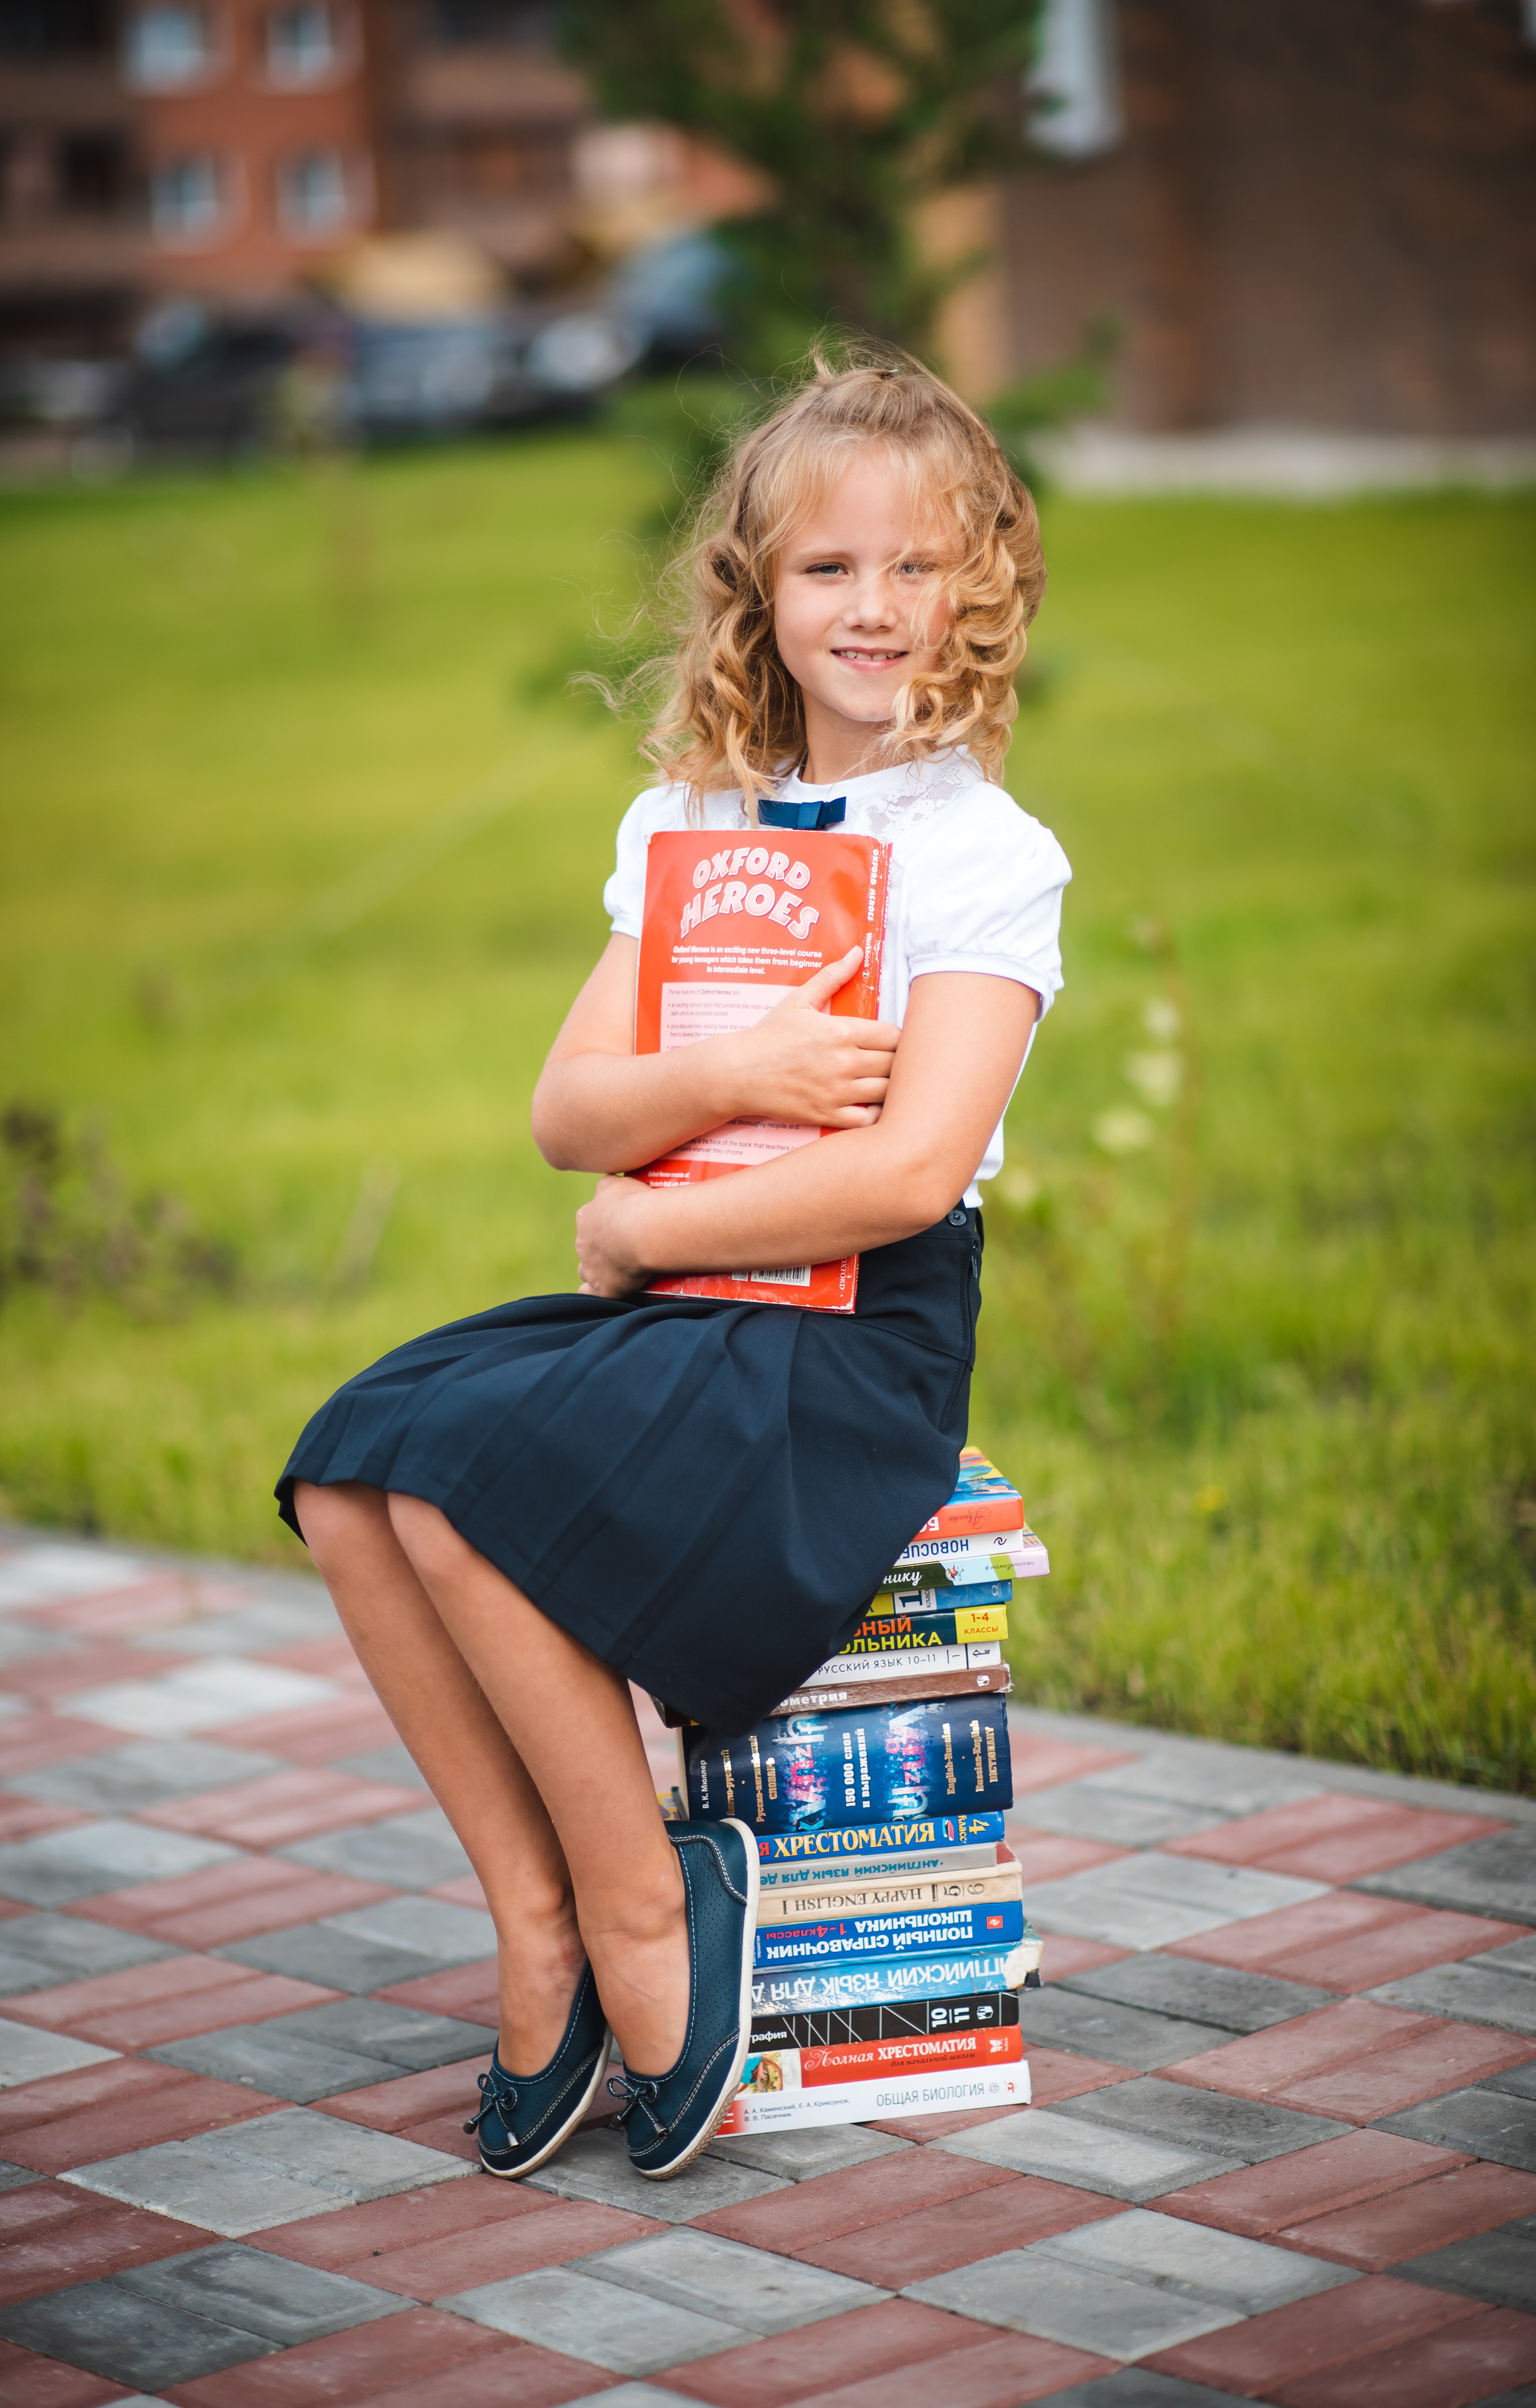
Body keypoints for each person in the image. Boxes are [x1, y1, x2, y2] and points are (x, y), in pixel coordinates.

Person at [277, 349, 1070, 2185]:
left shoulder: (983, 856)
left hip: (847, 1345)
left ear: (977, 587)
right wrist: (737, 1075)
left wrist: (645, 1228)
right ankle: (539, 1919)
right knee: (350, 1461)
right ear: (757, 592)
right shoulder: (695, 824)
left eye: (917, 566)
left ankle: (648, 1896)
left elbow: (911, 1172)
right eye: (828, 567)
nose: (874, 606)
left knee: (462, 1486)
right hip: (701, 1315)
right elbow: (569, 1108)